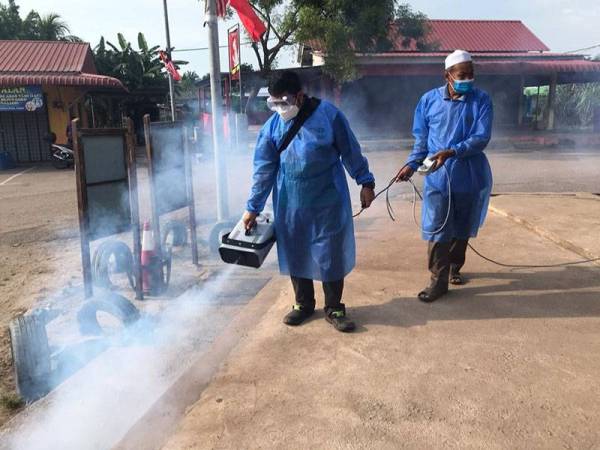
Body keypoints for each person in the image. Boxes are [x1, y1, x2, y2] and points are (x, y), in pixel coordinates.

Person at [243, 71, 376, 332]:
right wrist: (252, 208)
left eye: (284, 102)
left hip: (328, 199)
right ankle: (303, 304)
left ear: (300, 96)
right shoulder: (272, 127)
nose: (280, 108)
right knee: (296, 250)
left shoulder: (329, 116)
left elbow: (350, 150)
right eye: (274, 104)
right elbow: (263, 170)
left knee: (330, 253)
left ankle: (334, 307)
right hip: (290, 202)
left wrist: (366, 182)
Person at [396, 49, 493, 302]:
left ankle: (454, 267)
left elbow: (481, 138)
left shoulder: (481, 100)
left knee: (462, 227)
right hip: (438, 177)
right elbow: (422, 140)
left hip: (469, 174)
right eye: (462, 75)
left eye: (471, 75)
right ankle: (437, 281)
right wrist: (411, 164)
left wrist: (452, 151)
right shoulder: (429, 101)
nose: (468, 79)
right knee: (438, 227)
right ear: (447, 76)